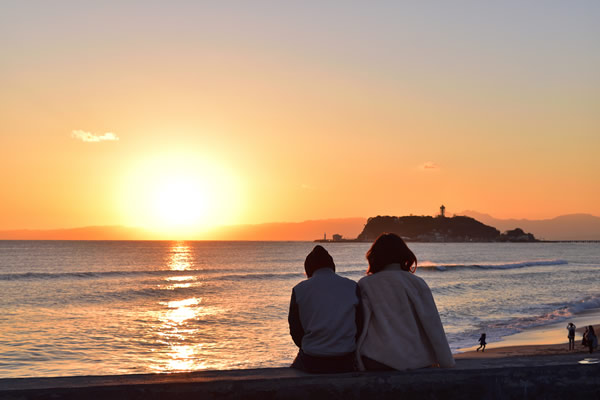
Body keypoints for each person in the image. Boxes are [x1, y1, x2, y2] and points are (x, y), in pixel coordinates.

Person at [355, 233, 455, 371]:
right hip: (416, 360)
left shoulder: (366, 284)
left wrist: (356, 359)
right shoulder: (416, 283)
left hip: (378, 359)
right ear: (404, 255)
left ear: (374, 256)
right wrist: (446, 361)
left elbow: (361, 324)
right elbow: (433, 324)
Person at [288, 245, 362, 373]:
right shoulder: (352, 286)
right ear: (332, 266)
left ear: (308, 269)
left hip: (312, 359)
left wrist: (310, 346)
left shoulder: (299, 289)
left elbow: (295, 328)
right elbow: (360, 323)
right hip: (346, 358)